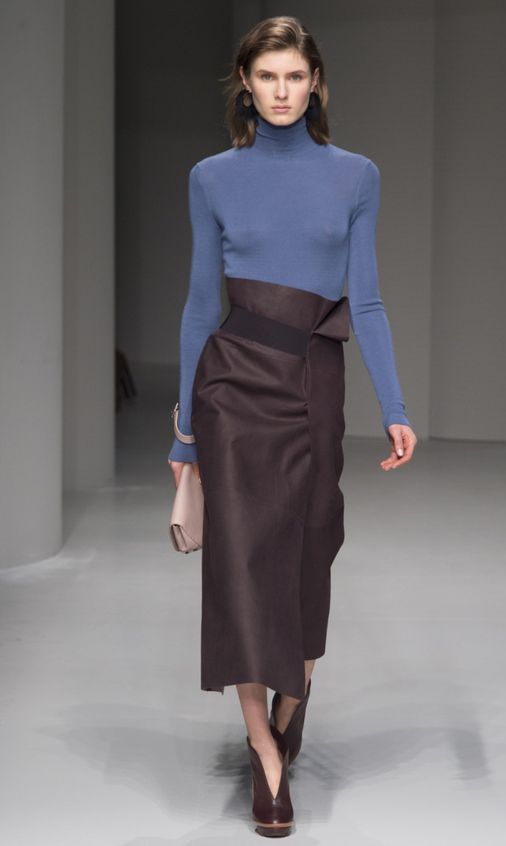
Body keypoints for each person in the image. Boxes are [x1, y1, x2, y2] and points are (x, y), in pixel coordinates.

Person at [168, 15, 417, 838]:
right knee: (240, 561)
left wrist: (394, 406)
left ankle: (292, 699)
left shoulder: (355, 176)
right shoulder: (212, 178)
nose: (281, 92)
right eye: (267, 76)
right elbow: (200, 305)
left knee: (311, 550)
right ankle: (264, 757)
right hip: (234, 387)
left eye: (295, 77)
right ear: (246, 83)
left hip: (315, 381)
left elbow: (366, 301)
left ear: (315, 84)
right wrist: (184, 434)